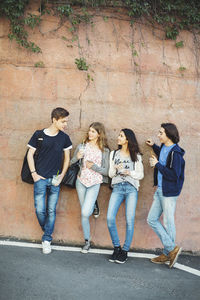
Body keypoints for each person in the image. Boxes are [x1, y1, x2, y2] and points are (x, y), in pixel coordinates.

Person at [27, 107, 72, 254]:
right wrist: (34, 174)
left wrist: (61, 176)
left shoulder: (64, 138)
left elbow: (67, 159)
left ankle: (47, 239)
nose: (65, 124)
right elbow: (30, 155)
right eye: (63, 121)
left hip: (55, 180)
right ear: (54, 119)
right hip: (39, 178)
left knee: (51, 211)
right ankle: (47, 229)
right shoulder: (38, 134)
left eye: (66, 121)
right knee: (40, 210)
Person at [146, 123, 185, 268]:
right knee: (151, 219)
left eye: (161, 133)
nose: (158, 135)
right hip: (160, 190)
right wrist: (153, 146)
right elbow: (163, 156)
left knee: (168, 222)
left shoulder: (176, 154)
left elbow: (174, 175)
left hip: (169, 192)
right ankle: (171, 249)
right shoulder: (163, 147)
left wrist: (157, 165)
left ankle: (168, 253)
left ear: (168, 135)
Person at [70, 122, 110, 253]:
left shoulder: (104, 151)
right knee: (85, 214)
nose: (90, 133)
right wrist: (77, 157)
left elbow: (106, 171)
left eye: (93, 131)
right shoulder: (82, 146)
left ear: (99, 134)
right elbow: (70, 163)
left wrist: (93, 166)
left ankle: (93, 205)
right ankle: (87, 241)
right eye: (89, 131)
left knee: (85, 212)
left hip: (94, 183)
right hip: (80, 182)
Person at [107, 129, 144, 264]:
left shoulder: (136, 155)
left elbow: (141, 175)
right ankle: (117, 247)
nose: (118, 137)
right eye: (119, 135)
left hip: (131, 189)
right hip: (117, 188)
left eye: (121, 136)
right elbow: (110, 174)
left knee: (130, 220)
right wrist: (116, 169)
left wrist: (130, 172)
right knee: (110, 218)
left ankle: (125, 250)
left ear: (128, 139)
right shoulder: (113, 154)